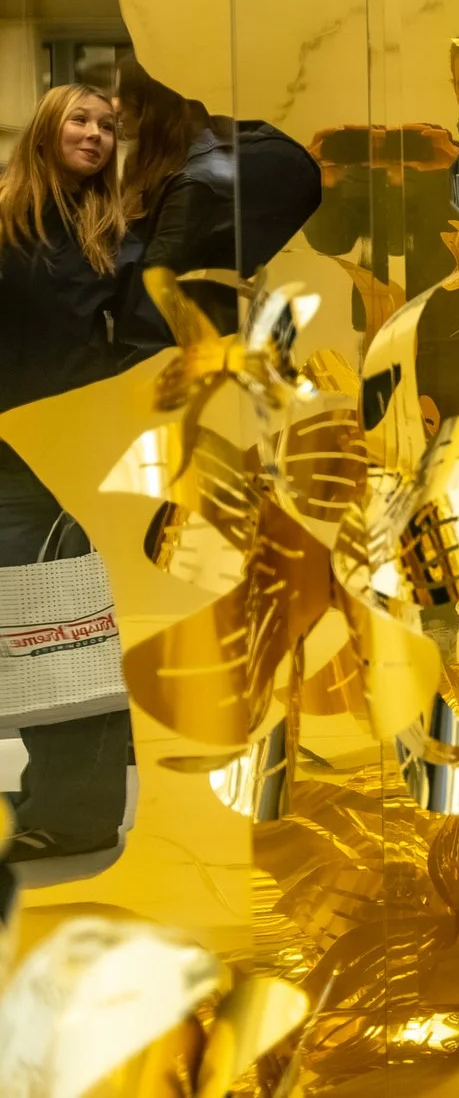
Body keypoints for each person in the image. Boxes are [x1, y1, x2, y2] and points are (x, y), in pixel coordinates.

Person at [0, 84, 135, 863]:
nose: (94, 134)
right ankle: (53, 790)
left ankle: (77, 811)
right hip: (8, 450)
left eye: (108, 126)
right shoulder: (9, 219)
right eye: (81, 120)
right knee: (25, 628)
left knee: (70, 628)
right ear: (47, 129)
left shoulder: (112, 231)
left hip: (71, 457)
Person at [115, 62, 320, 346]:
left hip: (210, 339)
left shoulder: (194, 180)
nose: (116, 106)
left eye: (123, 96)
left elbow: (152, 281)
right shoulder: (193, 146)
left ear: (149, 104)